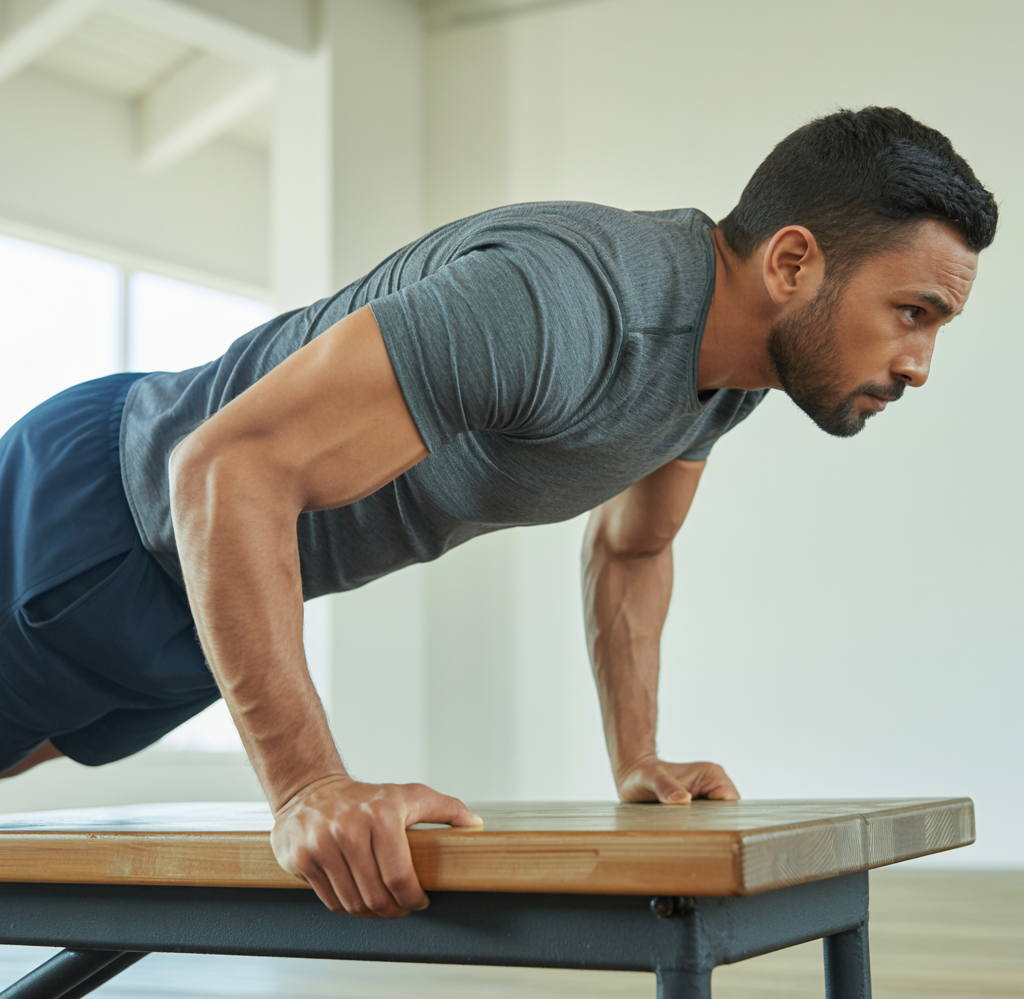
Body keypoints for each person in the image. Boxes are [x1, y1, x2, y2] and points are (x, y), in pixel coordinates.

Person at [0, 107, 996, 919]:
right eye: (912, 312)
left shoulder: (728, 371)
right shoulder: (561, 302)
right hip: (113, 518)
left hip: (210, 587)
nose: (917, 364)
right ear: (791, 264)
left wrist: (638, 756)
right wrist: (307, 785)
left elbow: (634, 544)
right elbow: (222, 468)